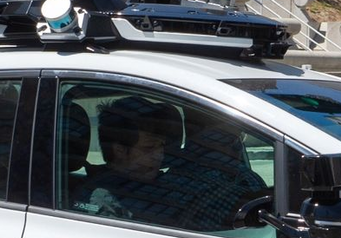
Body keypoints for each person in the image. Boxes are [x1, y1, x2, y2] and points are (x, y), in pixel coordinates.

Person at [72, 94, 262, 230]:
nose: (158, 156)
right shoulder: (102, 200)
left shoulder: (175, 180)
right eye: (148, 148)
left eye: (161, 146)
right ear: (119, 150)